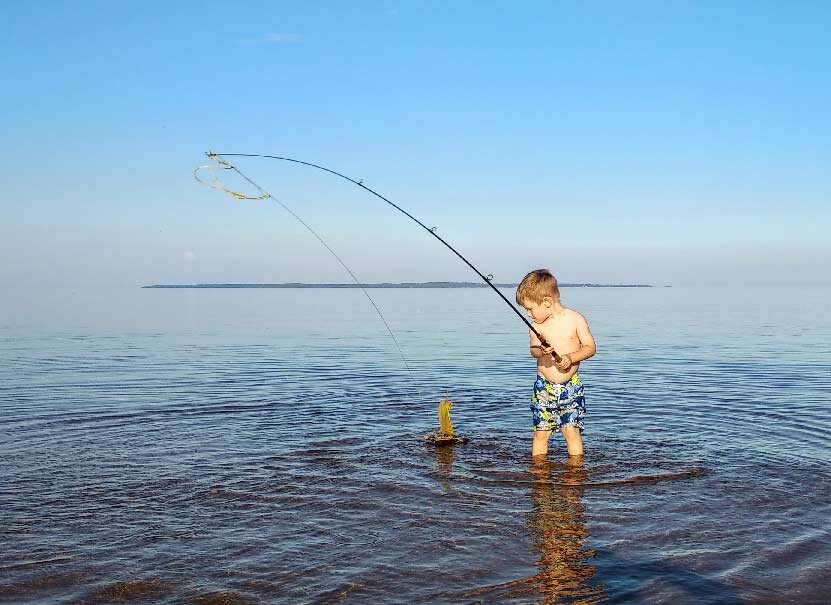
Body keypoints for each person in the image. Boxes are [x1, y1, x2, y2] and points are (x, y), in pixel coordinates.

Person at [516, 269, 596, 458]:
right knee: (541, 433)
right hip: (544, 388)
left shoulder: (575, 319)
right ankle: (539, 473)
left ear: (547, 302)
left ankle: (576, 472)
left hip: (571, 387)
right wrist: (540, 350)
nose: (528, 314)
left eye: (530, 308)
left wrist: (570, 358)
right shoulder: (536, 326)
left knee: (571, 432)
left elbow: (590, 347)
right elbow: (533, 350)